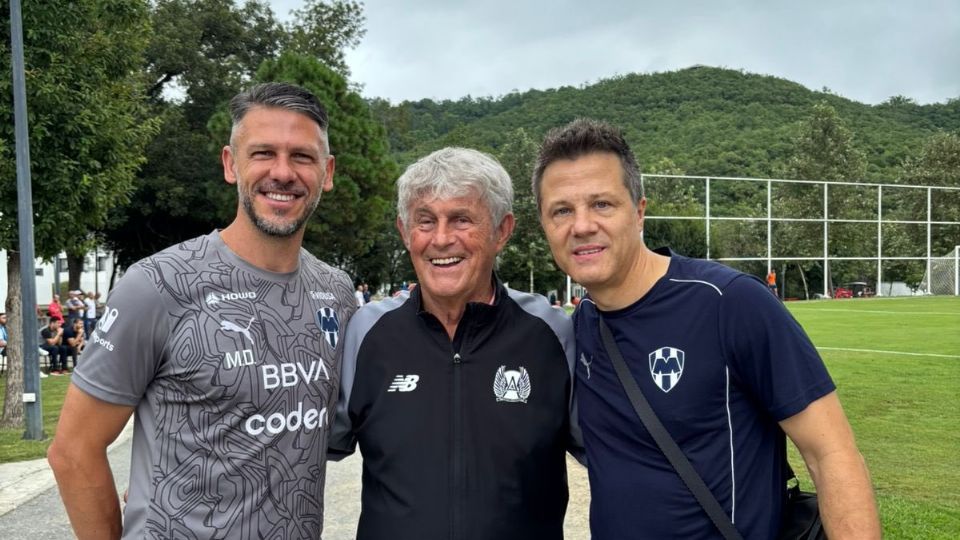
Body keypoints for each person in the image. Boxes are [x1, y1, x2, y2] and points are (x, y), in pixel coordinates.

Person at [532, 118, 880, 539]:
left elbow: (832, 455)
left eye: (602, 204)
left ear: (639, 211)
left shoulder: (730, 303)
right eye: (562, 210)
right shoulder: (581, 329)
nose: (582, 225)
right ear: (545, 225)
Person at [48, 82, 358, 540]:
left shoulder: (337, 292)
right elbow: (73, 451)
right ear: (231, 165)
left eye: (302, 157)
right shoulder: (158, 285)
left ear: (327, 172)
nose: (283, 172)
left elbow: (324, 433)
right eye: (263, 153)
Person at [329, 147, 582, 540]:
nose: (442, 239)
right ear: (404, 231)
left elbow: (617, 453)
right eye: (425, 221)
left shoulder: (552, 333)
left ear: (502, 231)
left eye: (462, 219)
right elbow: (310, 444)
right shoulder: (367, 332)